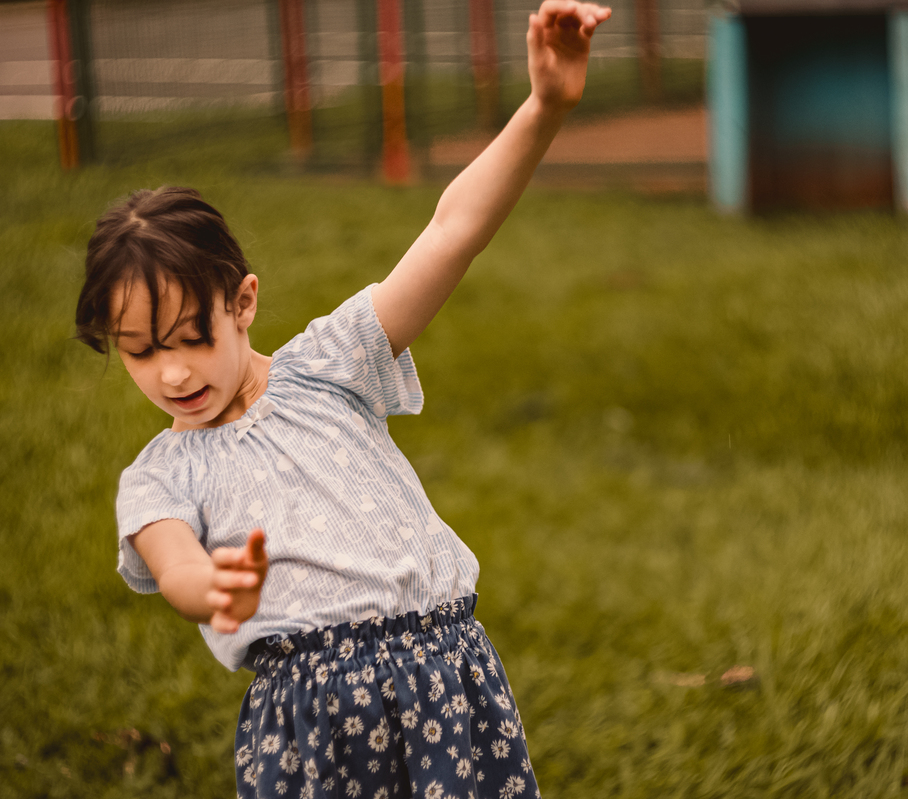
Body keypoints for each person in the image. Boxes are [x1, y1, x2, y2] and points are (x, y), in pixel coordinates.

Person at [73, 3, 611, 797]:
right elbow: (174, 562)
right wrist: (212, 586)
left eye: (190, 336)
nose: (174, 373)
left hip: (447, 679)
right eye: (142, 351)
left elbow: (450, 231)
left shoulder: (331, 364)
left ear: (242, 302)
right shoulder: (158, 478)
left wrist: (544, 107)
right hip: (315, 722)